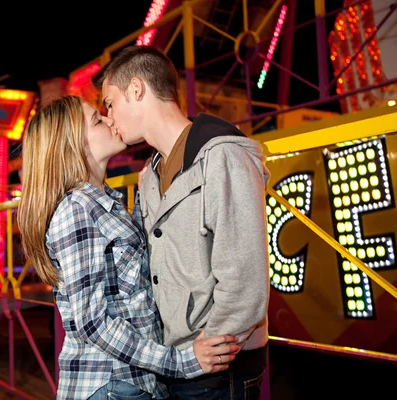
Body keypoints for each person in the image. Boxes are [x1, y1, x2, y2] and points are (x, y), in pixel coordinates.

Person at [17, 95, 241, 400]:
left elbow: (129, 271)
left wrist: (147, 196)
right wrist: (182, 362)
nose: (110, 120)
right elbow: (93, 324)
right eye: (97, 120)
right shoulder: (76, 209)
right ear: (71, 144)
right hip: (111, 383)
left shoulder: (104, 201)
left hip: (129, 382)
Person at [93, 45, 271, 399]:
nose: (108, 115)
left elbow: (244, 276)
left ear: (136, 90)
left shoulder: (223, 156)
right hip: (176, 363)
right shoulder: (150, 175)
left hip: (218, 367)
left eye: (109, 102)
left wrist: (205, 352)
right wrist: (173, 358)